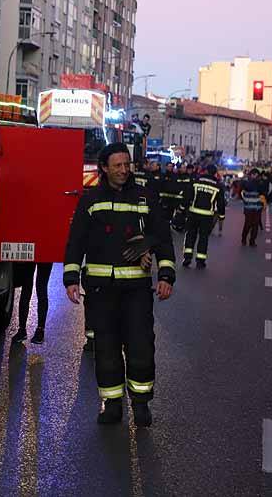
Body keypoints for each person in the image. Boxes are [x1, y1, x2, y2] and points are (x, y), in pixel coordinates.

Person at [63, 143, 176, 427]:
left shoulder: (144, 197)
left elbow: (162, 236)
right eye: (118, 165)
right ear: (104, 168)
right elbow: (76, 240)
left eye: (127, 164)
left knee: (140, 347)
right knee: (106, 349)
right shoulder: (90, 200)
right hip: (101, 290)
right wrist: (70, 278)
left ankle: (140, 404)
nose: (124, 170)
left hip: (137, 290)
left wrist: (165, 275)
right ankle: (112, 405)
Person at [181, 164, 226, 268]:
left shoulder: (196, 181)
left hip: (193, 213)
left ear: (205, 171)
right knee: (203, 238)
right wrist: (221, 216)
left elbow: (187, 196)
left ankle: (187, 258)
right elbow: (221, 203)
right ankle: (200, 261)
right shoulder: (218, 186)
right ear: (215, 173)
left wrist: (183, 208)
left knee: (190, 235)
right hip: (207, 216)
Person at [10, 262, 54, 344]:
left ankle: (23, 330)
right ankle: (39, 330)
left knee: (28, 289)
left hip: (31, 253)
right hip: (45, 253)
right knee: (40, 289)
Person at [240, 168, 266, 247]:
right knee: (248, 224)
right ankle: (244, 238)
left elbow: (263, 193)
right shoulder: (247, 183)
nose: (256, 177)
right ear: (251, 175)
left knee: (255, 225)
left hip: (256, 207)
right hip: (249, 207)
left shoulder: (258, 184)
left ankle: (252, 241)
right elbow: (242, 192)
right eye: (255, 175)